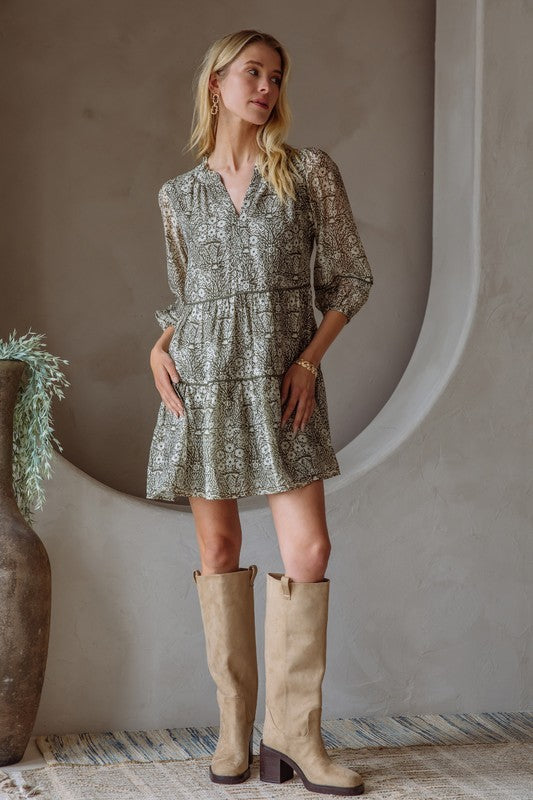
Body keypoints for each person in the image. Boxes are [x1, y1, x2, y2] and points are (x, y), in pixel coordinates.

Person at [146, 28, 373, 796]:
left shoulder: (307, 173)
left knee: (307, 550)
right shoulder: (178, 195)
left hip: (281, 385)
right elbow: (189, 295)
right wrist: (159, 346)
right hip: (201, 385)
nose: (267, 88)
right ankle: (233, 730)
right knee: (218, 548)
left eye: (275, 76)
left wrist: (308, 360)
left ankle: (293, 733)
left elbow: (349, 280)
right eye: (253, 72)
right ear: (216, 83)